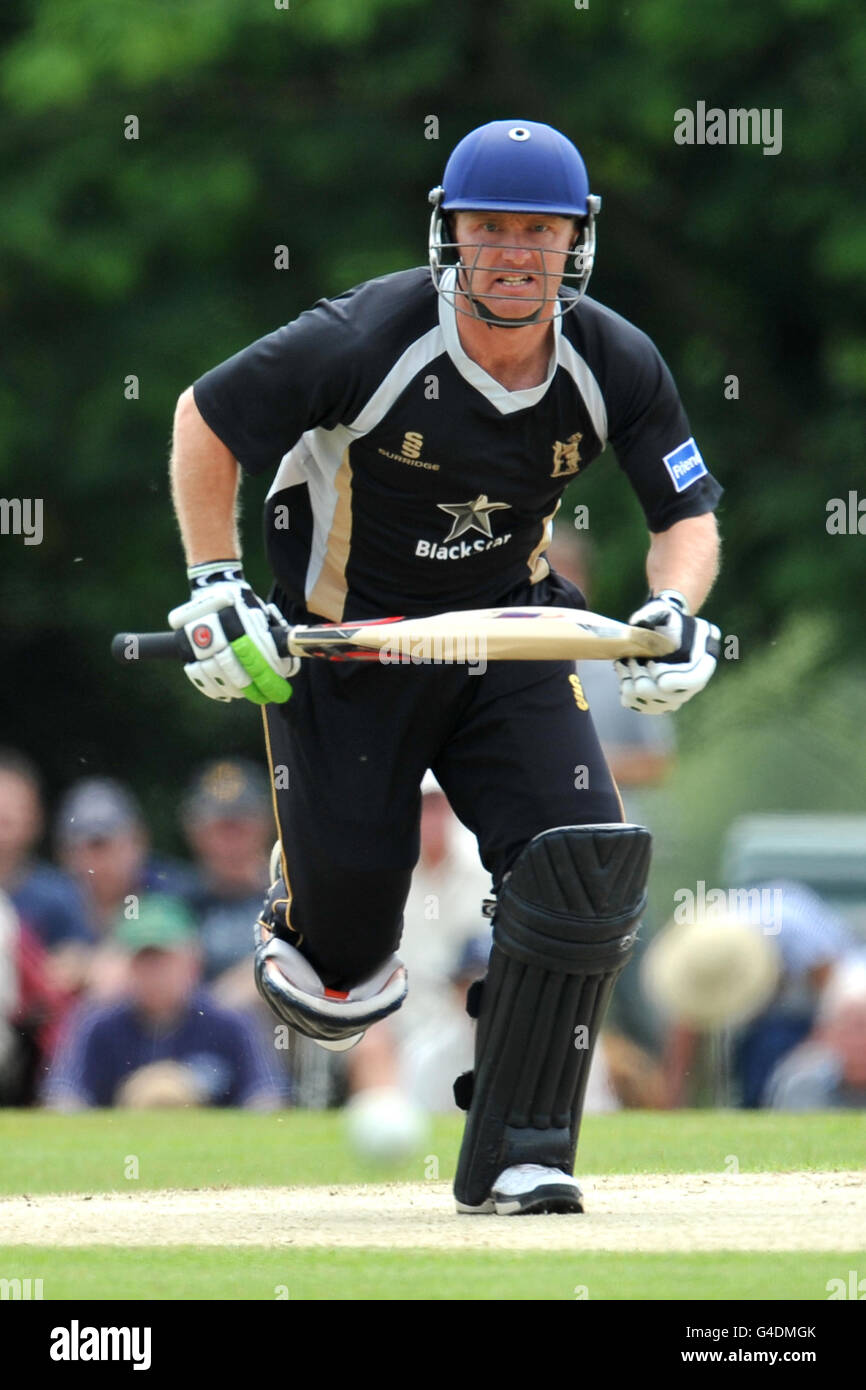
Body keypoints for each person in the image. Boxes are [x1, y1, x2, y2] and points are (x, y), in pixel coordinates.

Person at [166, 118, 723, 1214]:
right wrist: (215, 584)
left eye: (540, 232)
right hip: (345, 649)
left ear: (577, 244)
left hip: (503, 637)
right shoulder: (365, 336)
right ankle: (310, 914)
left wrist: (672, 610)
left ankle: (522, 1148)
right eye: (489, 228)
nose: (514, 251)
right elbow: (204, 418)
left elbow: (686, 516)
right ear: (448, 236)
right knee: (335, 983)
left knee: (581, 867)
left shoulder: (614, 358)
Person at [42, 895, 284, 1111]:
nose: (153, 974)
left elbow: (267, 1095)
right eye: (143, 961)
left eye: (163, 961)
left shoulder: (230, 1021)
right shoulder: (98, 1023)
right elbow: (63, 1095)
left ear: (192, 961)